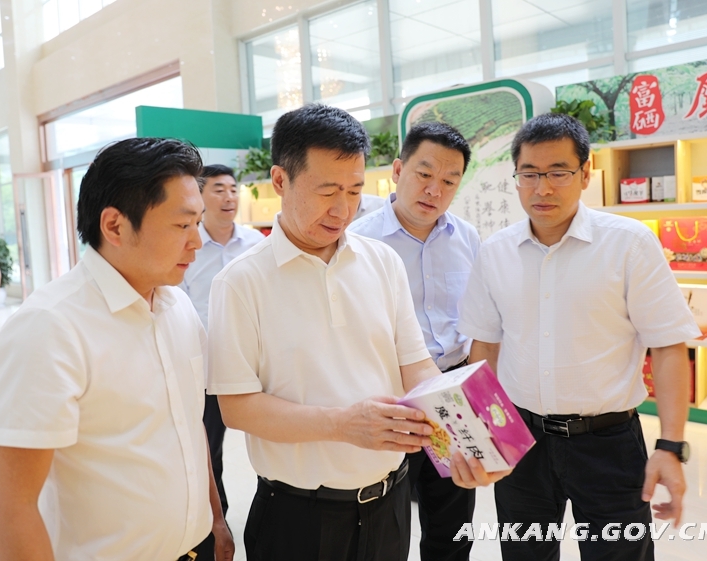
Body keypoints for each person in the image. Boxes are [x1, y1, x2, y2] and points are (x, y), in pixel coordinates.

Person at [207, 104, 508, 561]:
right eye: (327, 190)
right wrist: (343, 424)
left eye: (354, 190)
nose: (342, 209)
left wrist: (468, 442)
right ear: (281, 180)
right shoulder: (239, 281)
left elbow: (417, 368)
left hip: (389, 503)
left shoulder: (382, 261)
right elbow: (237, 407)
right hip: (296, 515)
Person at [458, 113, 700, 561]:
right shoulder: (495, 252)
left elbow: (668, 345)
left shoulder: (628, 244)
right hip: (522, 440)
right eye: (529, 174)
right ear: (516, 177)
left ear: (586, 173)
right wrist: (485, 433)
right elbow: (485, 347)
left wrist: (670, 446)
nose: (542, 188)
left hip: (608, 445)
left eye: (558, 173)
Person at [0, 138, 233, 561]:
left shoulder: (178, 306)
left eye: (198, 223)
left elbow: (189, 428)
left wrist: (215, 520)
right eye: (182, 225)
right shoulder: (49, 328)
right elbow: (12, 508)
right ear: (115, 225)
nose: (196, 241)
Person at [349, 121, 480, 561]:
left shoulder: (467, 238)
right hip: (392, 397)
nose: (434, 190)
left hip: (451, 395)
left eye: (449, 181)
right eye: (424, 174)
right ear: (397, 170)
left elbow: (479, 322)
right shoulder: (359, 240)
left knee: (453, 523)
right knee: (388, 522)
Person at [180, 164, 264, 516]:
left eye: (233, 189)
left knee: (269, 443)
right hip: (206, 368)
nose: (229, 196)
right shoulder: (188, 246)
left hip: (253, 363)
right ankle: (217, 521)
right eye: (218, 189)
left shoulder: (256, 244)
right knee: (208, 450)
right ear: (200, 197)